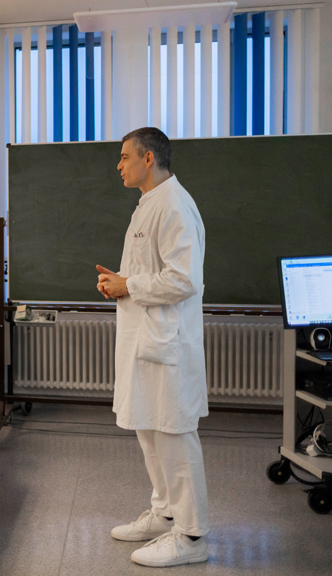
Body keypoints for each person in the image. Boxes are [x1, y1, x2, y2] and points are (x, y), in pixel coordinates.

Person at [95, 127, 210, 567]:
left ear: (148, 158)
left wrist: (129, 284)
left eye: (125, 157)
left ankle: (192, 536)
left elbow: (184, 279)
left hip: (168, 348)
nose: (119, 165)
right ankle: (165, 514)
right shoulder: (149, 203)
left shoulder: (174, 204)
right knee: (149, 430)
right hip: (145, 343)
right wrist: (120, 283)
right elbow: (148, 273)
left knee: (173, 436)